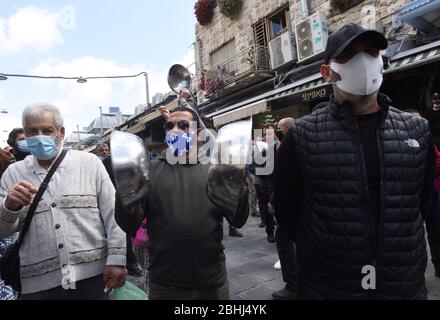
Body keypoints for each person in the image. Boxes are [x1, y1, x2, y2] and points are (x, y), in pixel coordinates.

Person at [274, 23, 435, 299]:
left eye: (371, 52)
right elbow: (287, 211)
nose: (364, 62)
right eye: (349, 56)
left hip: (401, 284)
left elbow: (424, 203)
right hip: (330, 285)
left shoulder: (416, 130)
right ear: (327, 73)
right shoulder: (302, 136)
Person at [117, 90, 249, 300]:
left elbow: (239, 219)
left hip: (211, 282)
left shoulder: (215, 170)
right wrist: (125, 190)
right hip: (164, 282)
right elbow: (129, 223)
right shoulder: (149, 172)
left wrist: (238, 182)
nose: (175, 130)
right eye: (170, 126)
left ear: (198, 134)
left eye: (183, 125)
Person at [0, 103, 127, 300]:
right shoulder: (13, 173)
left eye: (47, 130)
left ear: (61, 132)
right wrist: (10, 207)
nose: (40, 136)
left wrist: (117, 260)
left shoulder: (89, 163)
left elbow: (113, 215)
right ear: (25, 135)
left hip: (93, 279)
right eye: (32, 131)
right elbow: (2, 231)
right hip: (36, 286)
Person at [405, 109, 440, 278]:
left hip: (432, 192)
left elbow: (437, 161)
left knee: (435, 230)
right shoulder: (401, 141)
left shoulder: (427, 138)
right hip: (414, 197)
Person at [102, 155, 145, 277]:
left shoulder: (130, 160)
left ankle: (131, 262)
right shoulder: (106, 163)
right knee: (120, 232)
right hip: (114, 200)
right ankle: (130, 262)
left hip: (130, 199)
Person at [269, 118, 297, 300]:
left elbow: (286, 178)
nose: (277, 131)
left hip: (291, 202)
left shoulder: (290, 147)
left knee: (284, 238)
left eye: (279, 129)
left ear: (287, 128)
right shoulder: (283, 146)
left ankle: (293, 284)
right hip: (297, 202)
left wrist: (274, 200)